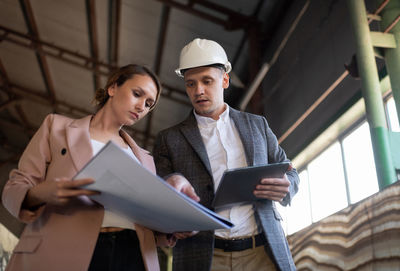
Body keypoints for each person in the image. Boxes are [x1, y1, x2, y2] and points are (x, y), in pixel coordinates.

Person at [2, 64, 174, 271]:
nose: (141, 107)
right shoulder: (56, 128)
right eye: (137, 94)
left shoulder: (146, 160)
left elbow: (149, 221)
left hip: (133, 255)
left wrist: (174, 228)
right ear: (113, 88)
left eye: (149, 104)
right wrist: (43, 192)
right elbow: (14, 189)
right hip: (63, 250)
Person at [152, 38, 300, 271]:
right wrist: (173, 221)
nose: (198, 90)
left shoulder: (257, 125)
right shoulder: (169, 139)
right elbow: (159, 194)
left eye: (206, 81)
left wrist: (287, 186)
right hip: (205, 256)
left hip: (264, 252)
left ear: (225, 80)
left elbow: (291, 171)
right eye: (190, 84)